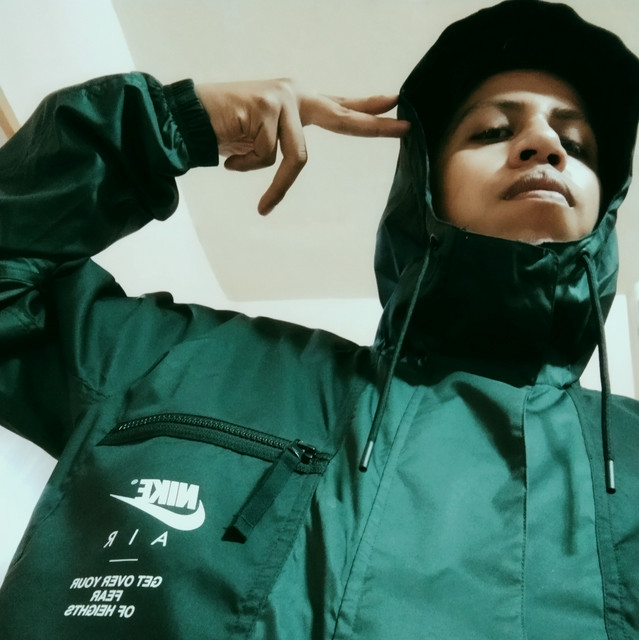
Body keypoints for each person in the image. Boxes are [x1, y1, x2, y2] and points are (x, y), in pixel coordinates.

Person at [0, 0, 638, 638]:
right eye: (493, 130)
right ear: (426, 186)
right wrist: (174, 124)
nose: (545, 144)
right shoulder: (183, 361)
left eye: (576, 144)